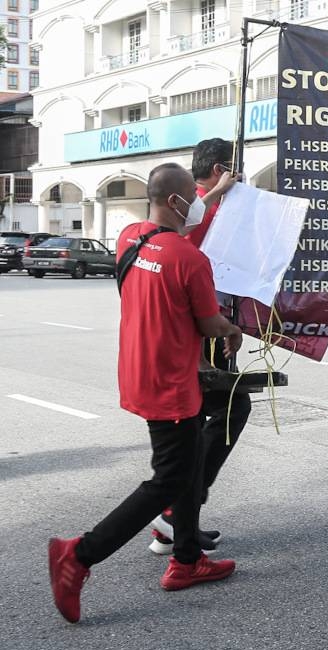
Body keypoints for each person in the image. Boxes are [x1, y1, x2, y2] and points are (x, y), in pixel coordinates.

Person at [48, 163, 244, 624]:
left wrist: (214, 193)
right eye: (193, 197)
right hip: (172, 383)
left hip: (140, 371)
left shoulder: (131, 238)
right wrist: (232, 329)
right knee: (169, 480)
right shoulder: (190, 260)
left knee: (193, 459)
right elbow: (209, 323)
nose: (199, 202)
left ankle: (188, 558)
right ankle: (78, 556)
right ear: (178, 201)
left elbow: (172, 252)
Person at [148, 138, 252, 556]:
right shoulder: (195, 211)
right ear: (219, 169)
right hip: (201, 329)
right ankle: (174, 514)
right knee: (229, 410)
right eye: (233, 169)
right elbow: (185, 225)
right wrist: (219, 192)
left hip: (206, 323)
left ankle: (177, 523)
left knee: (205, 421)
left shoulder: (209, 205)